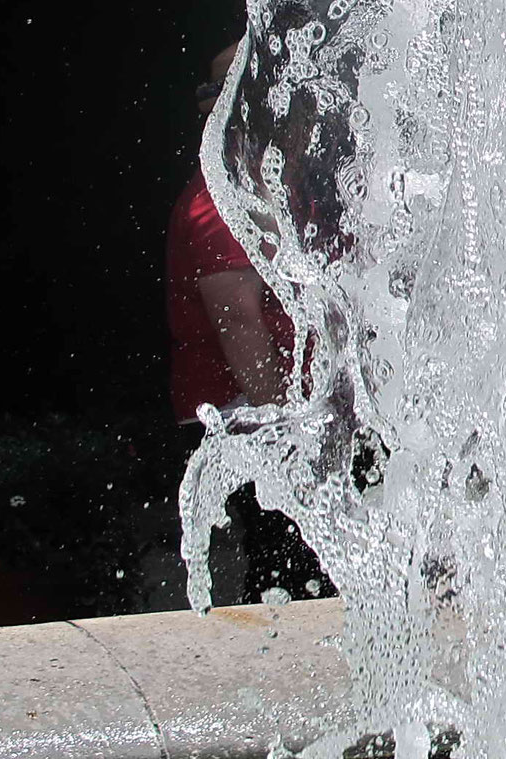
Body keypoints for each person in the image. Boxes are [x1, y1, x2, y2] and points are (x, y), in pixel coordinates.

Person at [164, 41, 330, 603]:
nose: (305, 116)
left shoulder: (275, 194)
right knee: (289, 579)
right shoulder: (219, 199)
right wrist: (290, 430)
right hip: (247, 418)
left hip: (287, 416)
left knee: (308, 575)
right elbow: (238, 321)